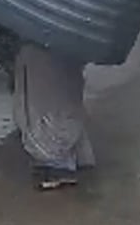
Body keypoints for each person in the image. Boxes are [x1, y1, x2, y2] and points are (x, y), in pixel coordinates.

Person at [13, 42, 95, 190]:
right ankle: (72, 156)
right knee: (61, 93)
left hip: (44, 41)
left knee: (44, 98)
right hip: (63, 41)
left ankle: (58, 164)